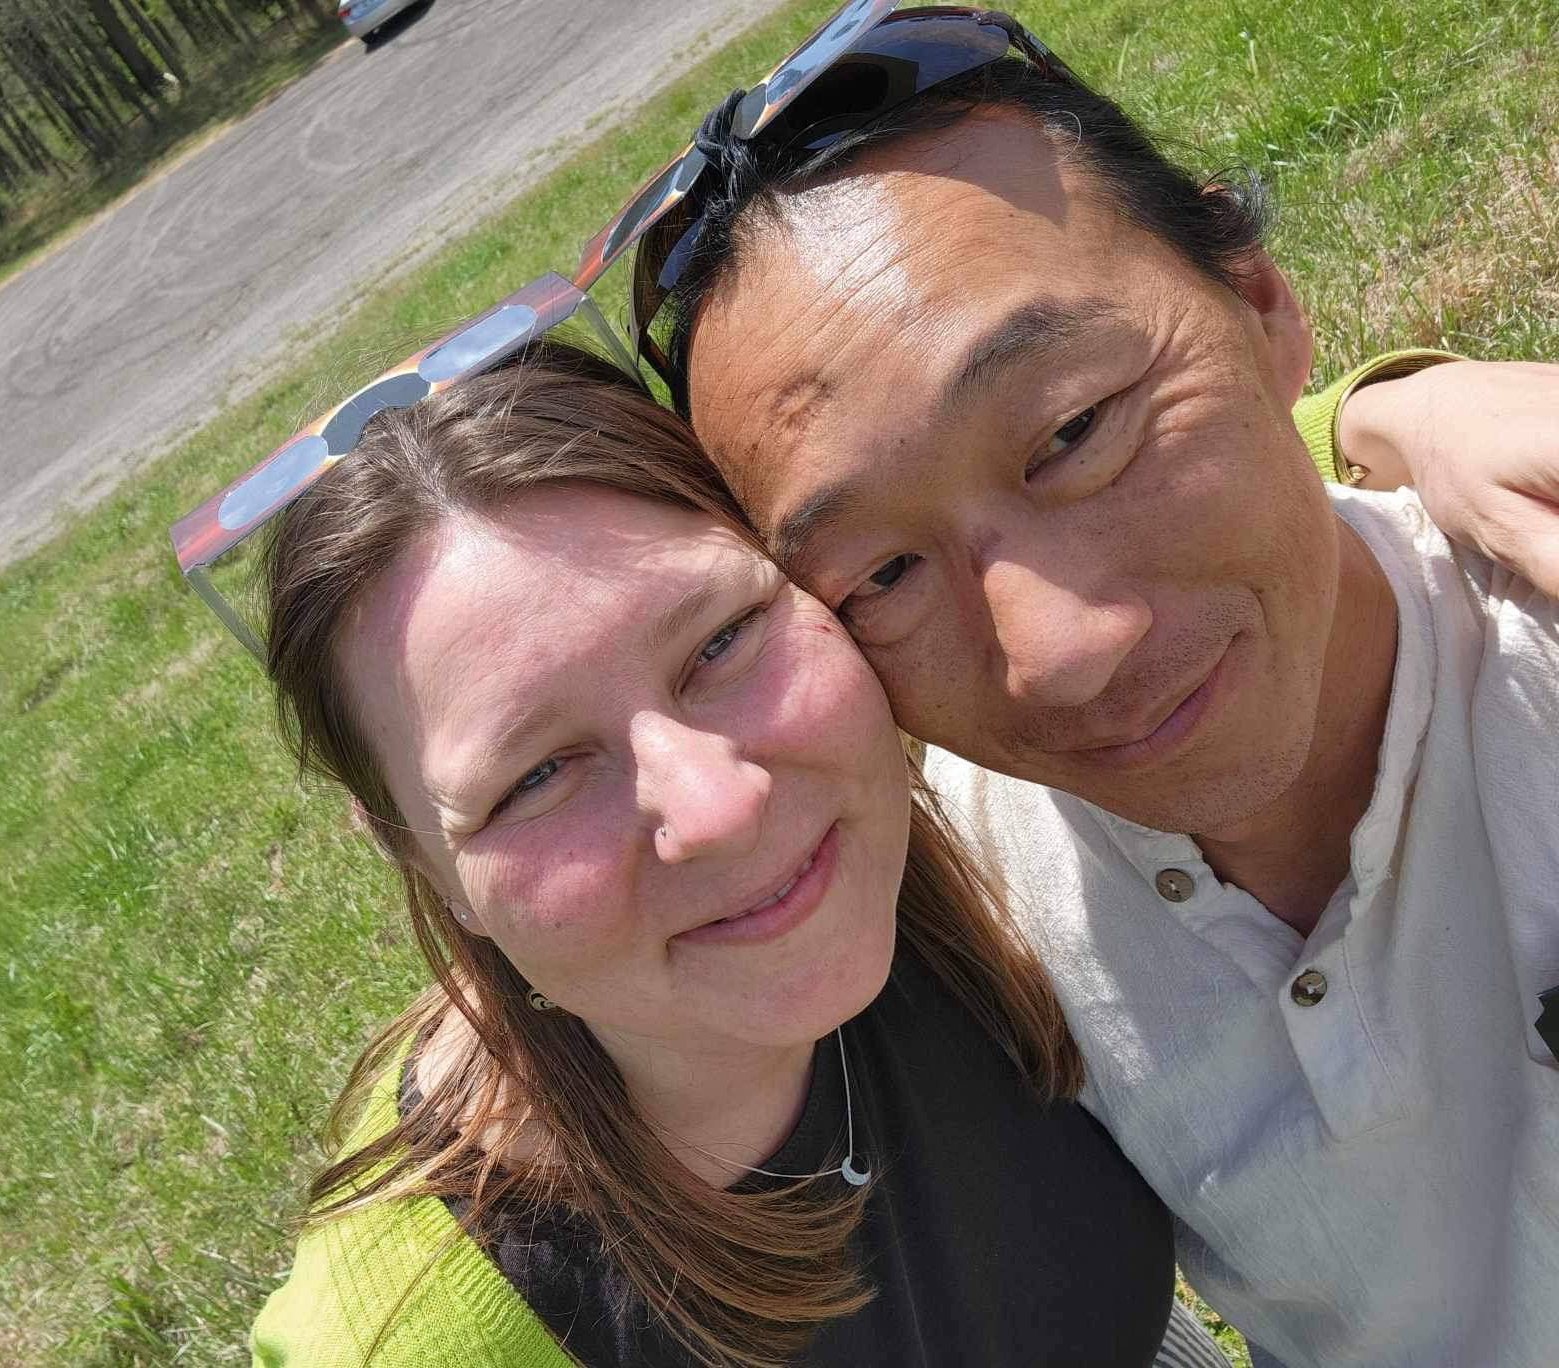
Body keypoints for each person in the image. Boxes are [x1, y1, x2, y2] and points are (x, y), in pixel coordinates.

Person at [629, 8, 1559, 1365]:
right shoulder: (949, 927)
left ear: (1259, 302)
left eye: (1073, 432)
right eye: (883, 575)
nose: (1061, 648)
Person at [241, 344, 1235, 1367]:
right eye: (535, 776)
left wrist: (1339, 421)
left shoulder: (955, 810)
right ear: (418, 860)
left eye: (721, 641)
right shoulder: (414, 1340)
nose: (717, 809)